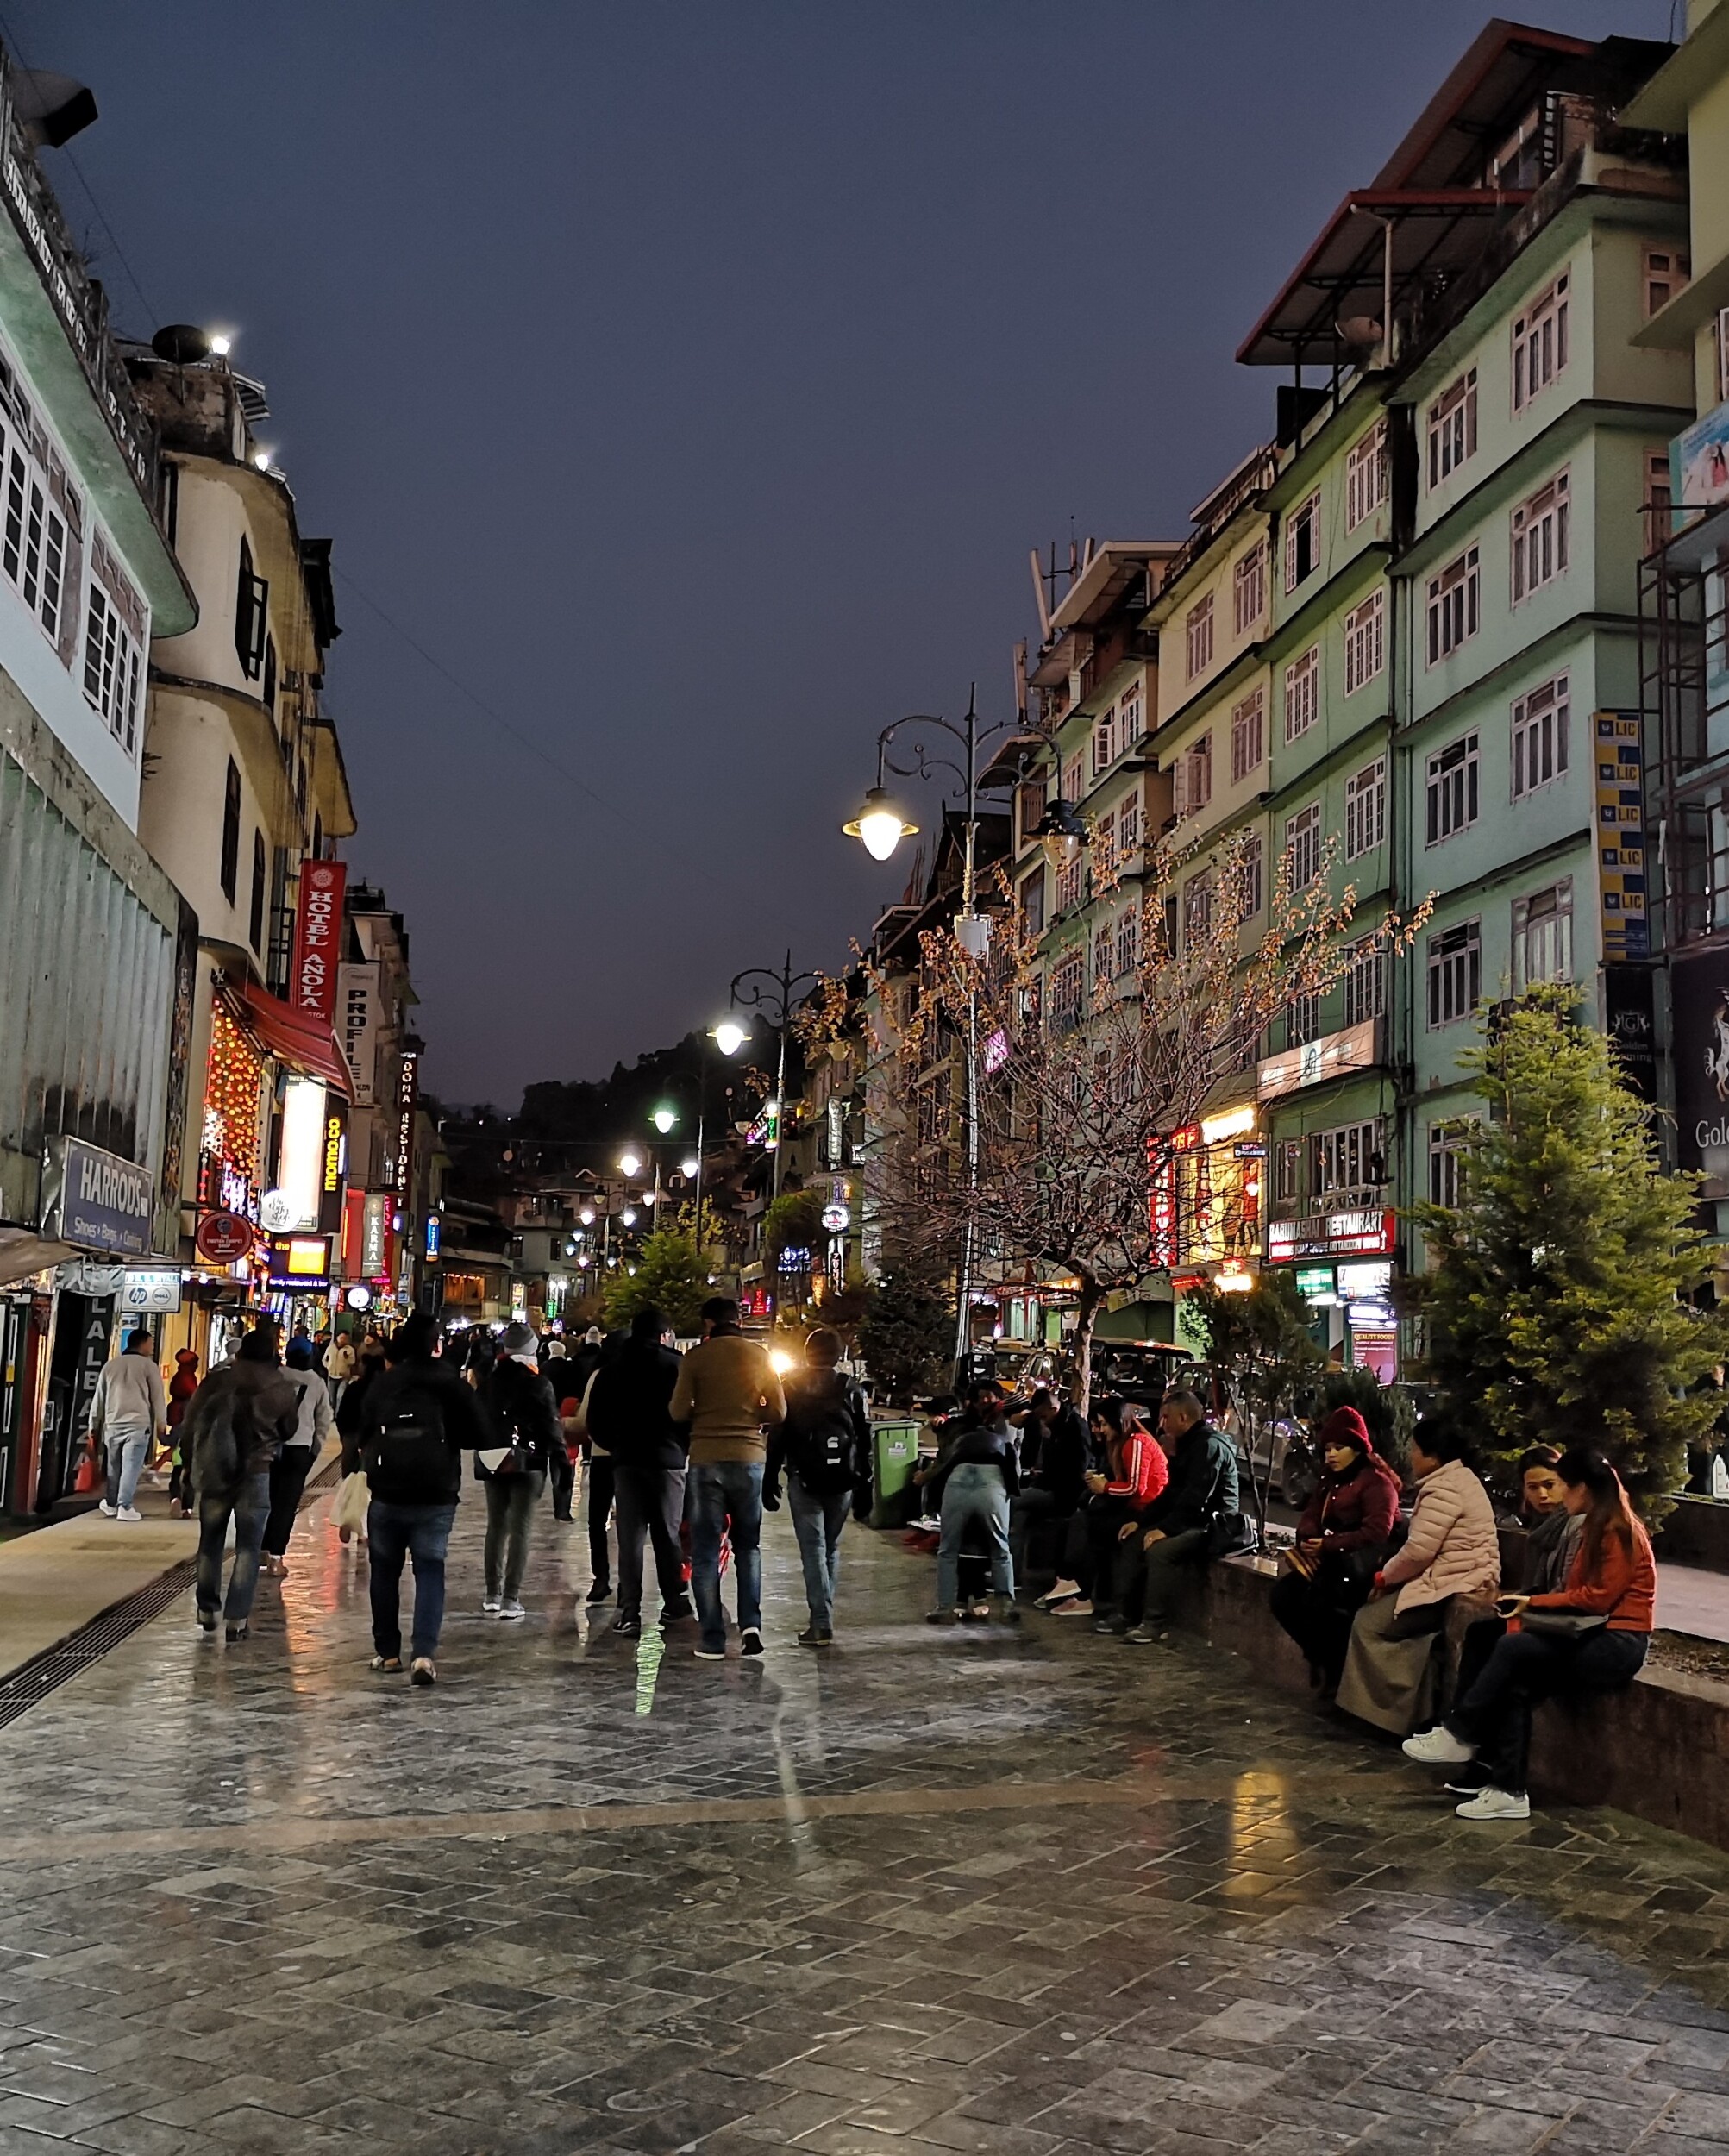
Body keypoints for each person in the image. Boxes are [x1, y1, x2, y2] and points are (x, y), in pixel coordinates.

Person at [1405, 1447, 1657, 1821]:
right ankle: (1507, 1789)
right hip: (1596, 1632)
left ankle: (1460, 1733)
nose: (1555, 1497)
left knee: (1513, 1648)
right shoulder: (1594, 1524)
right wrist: (1532, 1603)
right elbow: (1579, 1592)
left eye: (1562, 1487)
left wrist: (1535, 1604)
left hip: (1619, 1642)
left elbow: (1597, 1598)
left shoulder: (1617, 1529)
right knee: (1515, 1682)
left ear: (1581, 1488)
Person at [1336, 1418, 1499, 1735]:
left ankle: (1387, 1717)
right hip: (1461, 1578)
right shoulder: (1461, 1479)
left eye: (1414, 1450)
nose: (1410, 1456)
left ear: (1433, 1456)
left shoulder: (1443, 1488)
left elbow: (1418, 1552)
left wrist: (1384, 1579)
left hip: (1455, 1586)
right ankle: (1404, 1710)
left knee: (1368, 1624)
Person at [362, 1314, 492, 1683]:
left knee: (384, 1571)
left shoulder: (386, 1383)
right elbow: (480, 1433)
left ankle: (387, 1652)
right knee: (430, 1569)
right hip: (436, 1492)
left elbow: (360, 1423)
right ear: (437, 1344)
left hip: (387, 1490)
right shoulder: (449, 1383)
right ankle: (423, 1654)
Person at [669, 1296, 786, 1660]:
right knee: (748, 1547)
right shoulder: (760, 1357)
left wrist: (702, 1410)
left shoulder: (695, 1359)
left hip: (705, 1459)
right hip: (750, 1459)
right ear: (738, 1320)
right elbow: (780, 1410)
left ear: (707, 1324)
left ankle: (713, 1639)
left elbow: (676, 1410)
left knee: (705, 1552)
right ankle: (751, 1627)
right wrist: (754, 1411)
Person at [1269, 1407, 1401, 1689]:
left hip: (1362, 1568)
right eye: (1328, 1448)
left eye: (1338, 1447)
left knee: (1327, 1610)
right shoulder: (1330, 1480)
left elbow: (1378, 1532)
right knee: (1283, 1596)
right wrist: (1308, 1537)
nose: (1330, 1454)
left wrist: (1328, 1545)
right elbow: (1311, 1514)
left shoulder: (1377, 1483)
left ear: (1356, 1448)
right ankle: (1320, 1658)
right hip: (1332, 1562)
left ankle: (1335, 1676)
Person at [180, 1326, 299, 1640]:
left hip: (216, 1469)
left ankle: (207, 1609)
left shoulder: (217, 1380)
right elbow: (289, 1430)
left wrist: (188, 1466)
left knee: (210, 1543)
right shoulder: (281, 1386)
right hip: (257, 1473)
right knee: (248, 1548)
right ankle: (237, 1619)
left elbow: (191, 1424)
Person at [585, 1306, 692, 1639]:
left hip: (626, 1461)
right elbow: (690, 1414)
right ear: (664, 1335)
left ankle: (629, 1610)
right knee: (667, 1533)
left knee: (630, 1536)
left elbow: (595, 1422)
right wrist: (681, 1447)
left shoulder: (611, 1369)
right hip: (667, 1461)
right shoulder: (676, 1365)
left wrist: (616, 1447)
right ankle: (674, 1602)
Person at [767, 1326, 870, 1647]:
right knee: (831, 1548)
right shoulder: (851, 1389)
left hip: (804, 1477)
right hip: (842, 1481)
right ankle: (823, 1615)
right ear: (839, 1356)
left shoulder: (791, 1387)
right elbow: (863, 1439)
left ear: (807, 1354)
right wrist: (864, 1482)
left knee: (812, 1550)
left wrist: (770, 1477)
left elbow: (778, 1437)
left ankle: (821, 1621)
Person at [1113, 1389, 1240, 1643]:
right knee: (1133, 1538)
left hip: (1213, 1525)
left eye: (1166, 1417)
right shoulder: (1189, 1444)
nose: (1162, 1424)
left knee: (1161, 1550)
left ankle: (1154, 1623)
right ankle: (1126, 1614)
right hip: (1192, 1518)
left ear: (1183, 1418)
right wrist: (1142, 1521)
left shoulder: (1208, 1446)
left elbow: (1197, 1499)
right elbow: (1171, 1494)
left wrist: (1166, 1530)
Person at [1040, 1395, 1162, 1619]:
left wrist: (1104, 1489)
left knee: (1091, 1525)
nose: (1099, 1430)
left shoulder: (1136, 1443)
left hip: (1147, 1509)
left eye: (1103, 1424)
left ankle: (1076, 1587)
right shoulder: (1118, 1445)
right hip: (1132, 1506)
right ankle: (1073, 1586)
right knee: (1080, 1520)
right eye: (1097, 1425)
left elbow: (1137, 1488)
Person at [474, 1320, 561, 1621]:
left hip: (493, 1458)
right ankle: (511, 1598)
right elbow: (550, 1424)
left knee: (495, 1525)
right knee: (521, 1527)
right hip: (530, 1461)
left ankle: (491, 1594)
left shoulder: (489, 1381)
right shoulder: (538, 1382)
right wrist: (560, 1455)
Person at [920, 1377, 1020, 1626]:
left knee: (948, 1550)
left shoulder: (959, 1427)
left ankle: (944, 1608)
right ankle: (1007, 1607)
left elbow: (944, 1462)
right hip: (992, 1478)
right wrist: (1008, 1492)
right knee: (1001, 1548)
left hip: (959, 1477)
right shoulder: (1007, 1427)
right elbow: (1013, 1465)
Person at [261, 1337, 334, 1576]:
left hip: (269, 1448)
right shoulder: (316, 1382)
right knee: (286, 1505)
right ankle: (275, 1558)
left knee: (266, 1500)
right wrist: (316, 1447)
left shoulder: (273, 1377)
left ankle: (259, 1551)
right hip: (299, 1449)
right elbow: (324, 1419)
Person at [1007, 1388, 1092, 1594]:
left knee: (1011, 1500)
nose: (1041, 1421)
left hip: (1062, 1494)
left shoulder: (1075, 1429)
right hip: (1048, 1485)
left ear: (1053, 1409)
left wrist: (1046, 1479)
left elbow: (1076, 1469)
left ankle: (1002, 1565)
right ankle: (1011, 1574)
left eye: (1043, 1416)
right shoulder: (1054, 1423)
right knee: (1020, 1516)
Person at [90, 1329, 166, 1523]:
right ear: (142, 1344)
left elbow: (98, 1399)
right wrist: (161, 1424)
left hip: (113, 1424)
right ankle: (125, 1505)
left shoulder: (111, 1365)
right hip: (138, 1424)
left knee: (114, 1467)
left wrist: (93, 1426)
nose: (152, 1346)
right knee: (131, 1467)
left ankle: (111, 1502)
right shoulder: (149, 1366)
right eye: (150, 1342)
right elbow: (157, 1398)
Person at [573, 1327, 617, 1604]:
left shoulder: (600, 1376)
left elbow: (583, 1419)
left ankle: (601, 1578)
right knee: (632, 1524)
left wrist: (564, 1426)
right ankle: (629, 1584)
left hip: (602, 1455)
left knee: (597, 1521)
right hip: (637, 1457)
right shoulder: (648, 1373)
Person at [543, 1338, 577, 1521]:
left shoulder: (544, 1368)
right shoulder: (570, 1369)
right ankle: (563, 1507)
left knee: (552, 1464)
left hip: (547, 1420)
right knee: (565, 1462)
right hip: (567, 1417)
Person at [165, 1347, 201, 1517]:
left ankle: (175, 1498)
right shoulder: (188, 1378)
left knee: (177, 1468)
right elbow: (195, 1397)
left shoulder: (179, 1376)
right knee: (189, 1470)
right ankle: (187, 1506)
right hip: (188, 1426)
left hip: (177, 1421)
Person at [325, 1329, 357, 1409]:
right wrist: (328, 1366)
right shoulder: (331, 1348)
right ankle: (331, 1415)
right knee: (331, 1398)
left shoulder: (350, 1349)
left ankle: (338, 1416)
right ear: (337, 1337)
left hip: (343, 1377)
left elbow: (352, 1362)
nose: (343, 1340)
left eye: (345, 1338)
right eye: (341, 1337)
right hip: (332, 1376)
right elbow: (324, 1359)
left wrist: (346, 1358)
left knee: (340, 1397)